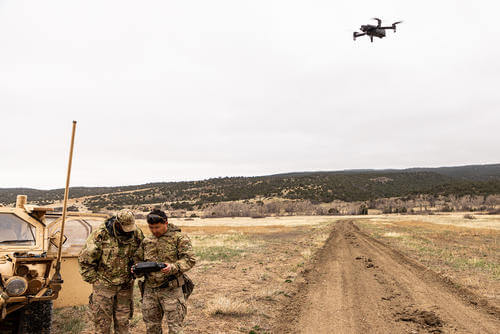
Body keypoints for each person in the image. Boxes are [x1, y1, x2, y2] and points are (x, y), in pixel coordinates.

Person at [78, 209, 144, 334]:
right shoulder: (101, 235)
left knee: (123, 323)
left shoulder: (136, 233)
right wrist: (95, 281)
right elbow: (85, 260)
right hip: (104, 286)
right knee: (102, 324)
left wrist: (137, 269)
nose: (128, 231)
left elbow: (142, 254)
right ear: (117, 224)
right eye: (125, 227)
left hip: (125, 285)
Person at [133, 209, 196, 334]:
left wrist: (173, 267)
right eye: (151, 227)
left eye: (157, 227)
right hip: (150, 291)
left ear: (166, 223)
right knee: (151, 328)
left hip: (171, 290)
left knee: (175, 329)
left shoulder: (179, 238)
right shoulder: (147, 241)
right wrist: (136, 270)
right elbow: (138, 260)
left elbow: (189, 259)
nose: (154, 231)